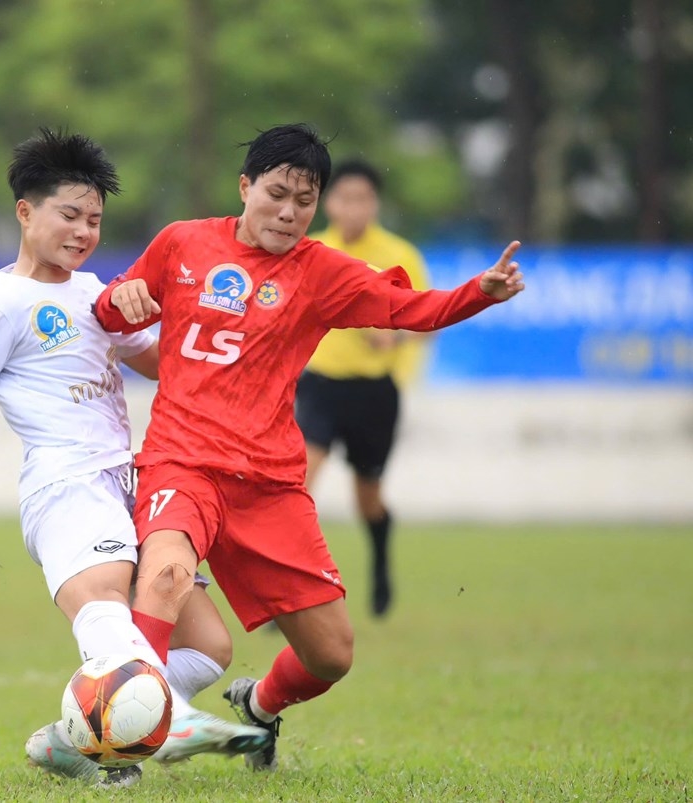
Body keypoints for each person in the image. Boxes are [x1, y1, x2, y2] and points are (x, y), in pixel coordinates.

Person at [93, 123, 524, 771]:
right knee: (164, 575)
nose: (290, 212)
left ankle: (260, 705)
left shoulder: (319, 271)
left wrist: (477, 295)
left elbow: (408, 309)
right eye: (277, 194)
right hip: (181, 463)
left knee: (331, 655)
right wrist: (116, 299)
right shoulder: (181, 242)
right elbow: (113, 314)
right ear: (245, 187)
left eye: (304, 200)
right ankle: (122, 740)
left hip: (268, 485)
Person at [0, 128, 268, 789]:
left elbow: (162, 363)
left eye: (95, 219)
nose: (83, 230)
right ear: (26, 211)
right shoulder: (1, 307)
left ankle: (80, 735)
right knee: (104, 602)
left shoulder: (98, 292)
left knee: (210, 648)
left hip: (132, 482)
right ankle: (162, 728)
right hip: (65, 483)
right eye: (69, 214)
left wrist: (211, 335)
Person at [296, 158, 431, 617]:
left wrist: (395, 333)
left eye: (364, 199)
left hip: (374, 392)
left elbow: (427, 320)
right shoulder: (311, 250)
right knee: (297, 487)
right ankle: (293, 594)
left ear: (375, 204)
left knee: (367, 497)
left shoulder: (400, 256)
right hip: (318, 387)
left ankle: (380, 570)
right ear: (328, 202)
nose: (354, 208)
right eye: (345, 197)